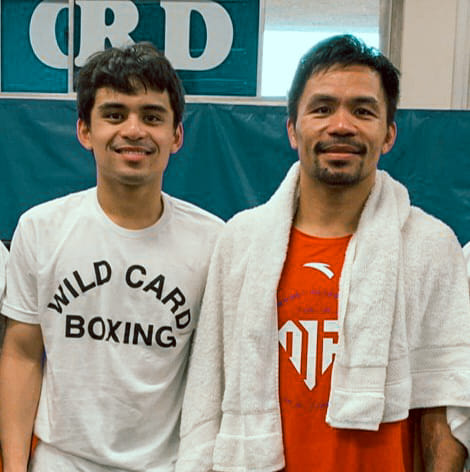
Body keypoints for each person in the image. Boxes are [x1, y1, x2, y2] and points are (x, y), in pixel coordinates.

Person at [175, 35, 470, 471]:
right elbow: (208, 392)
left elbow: (443, 398)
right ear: (293, 127)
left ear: (389, 133)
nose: (342, 125)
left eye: (363, 111)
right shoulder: (241, 240)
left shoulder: (429, 246)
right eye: (322, 108)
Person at [0, 42, 223, 471]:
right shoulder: (40, 228)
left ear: (176, 135)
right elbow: (22, 353)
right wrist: (13, 466)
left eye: (152, 116)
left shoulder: (214, 241)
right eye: (115, 114)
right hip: (61, 461)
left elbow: (218, 374)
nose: (134, 130)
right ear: (85, 130)